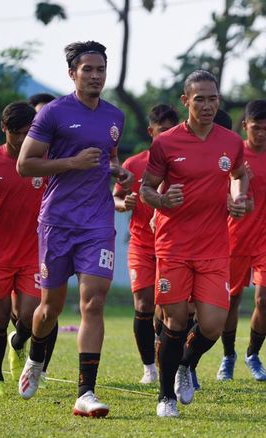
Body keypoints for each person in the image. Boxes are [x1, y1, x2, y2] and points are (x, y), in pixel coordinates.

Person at [16, 41, 132, 418]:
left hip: (97, 223)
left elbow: (109, 157)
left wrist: (118, 171)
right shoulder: (53, 114)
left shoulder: (115, 116)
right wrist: (72, 163)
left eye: (101, 69)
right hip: (57, 223)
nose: (96, 75)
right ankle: (35, 357)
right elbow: (25, 164)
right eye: (88, 70)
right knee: (49, 309)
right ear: (73, 74)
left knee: (93, 302)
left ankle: (86, 393)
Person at [140, 70, 248, 418]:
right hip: (173, 246)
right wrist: (162, 201)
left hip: (215, 246)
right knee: (173, 322)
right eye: (199, 98)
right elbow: (145, 189)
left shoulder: (231, 141)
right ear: (185, 101)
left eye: (212, 98)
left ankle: (186, 365)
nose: (207, 105)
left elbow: (239, 174)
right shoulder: (166, 143)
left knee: (214, 324)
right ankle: (165, 396)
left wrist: (237, 196)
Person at [217, 99, 266, 382]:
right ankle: (228, 356)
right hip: (234, 235)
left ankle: (253, 353)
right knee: (231, 299)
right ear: (245, 125)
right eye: (256, 128)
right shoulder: (232, 154)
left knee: (264, 298)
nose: (261, 133)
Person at [0, 102, 44, 397]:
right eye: (16, 133)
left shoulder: (44, 160)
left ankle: (17, 345)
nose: (21, 139)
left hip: (33, 253)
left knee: (29, 318)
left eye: (27, 132)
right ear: (4, 129)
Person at [113, 104, 179, 384]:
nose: (166, 136)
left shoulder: (182, 164)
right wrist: (123, 203)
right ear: (151, 132)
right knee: (143, 303)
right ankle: (149, 368)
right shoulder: (133, 164)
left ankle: (172, 365)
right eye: (162, 131)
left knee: (168, 309)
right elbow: (115, 198)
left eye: (171, 131)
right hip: (141, 245)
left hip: (175, 246)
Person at [27, 92, 59, 387]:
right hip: (30, 240)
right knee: (14, 314)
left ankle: (41, 367)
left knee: (89, 301)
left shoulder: (63, 146)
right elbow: (24, 166)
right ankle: (25, 353)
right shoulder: (31, 156)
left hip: (75, 229)